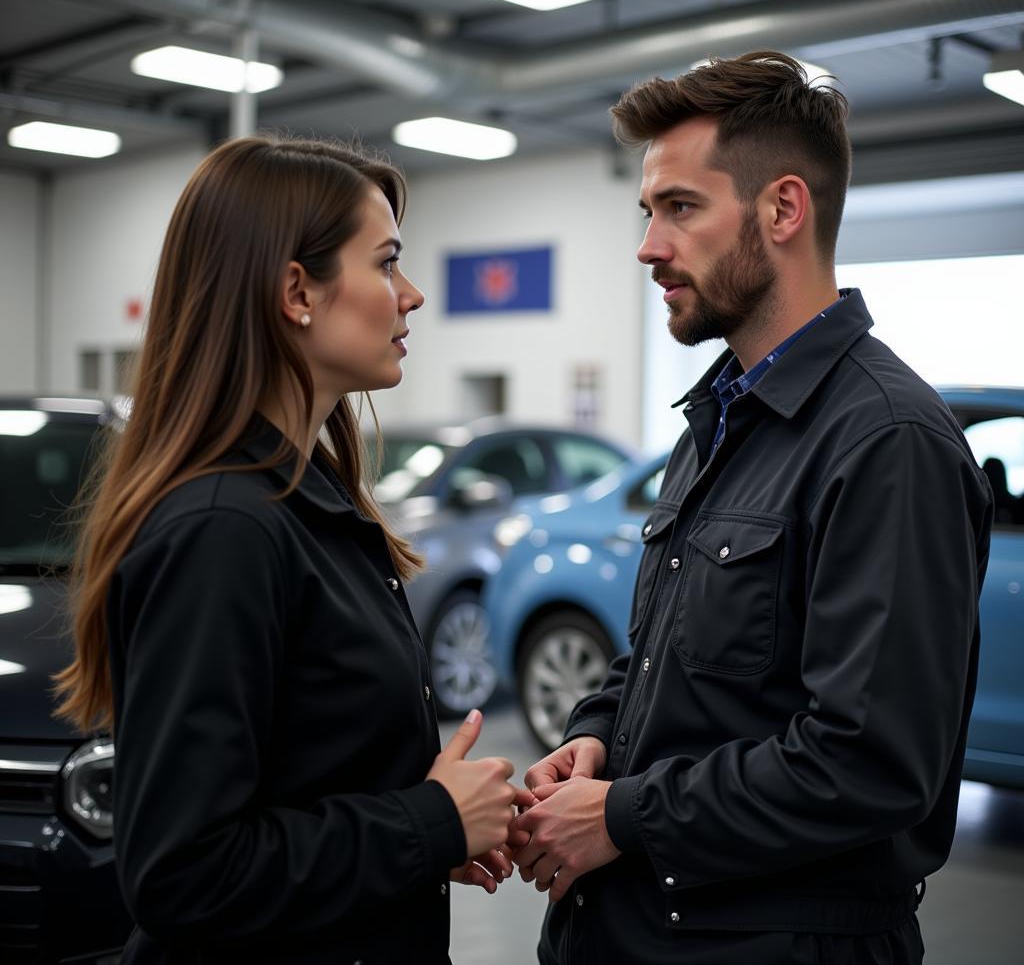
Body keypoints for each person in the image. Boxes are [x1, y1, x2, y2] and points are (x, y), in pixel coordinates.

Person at [509, 52, 994, 965]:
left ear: (782, 210)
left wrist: (622, 814)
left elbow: (868, 763)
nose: (649, 245)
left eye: (680, 208)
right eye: (648, 212)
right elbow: (668, 655)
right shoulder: (720, 417)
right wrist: (596, 739)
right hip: (645, 930)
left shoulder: (887, 442)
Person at [53, 135, 527, 964]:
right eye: (385, 265)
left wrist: (426, 831)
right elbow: (185, 875)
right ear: (296, 291)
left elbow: (307, 786)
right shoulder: (224, 528)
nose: (411, 295)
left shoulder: (310, 502)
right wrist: (429, 820)